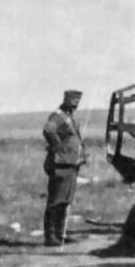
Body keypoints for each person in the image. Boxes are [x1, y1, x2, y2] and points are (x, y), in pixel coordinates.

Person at [42, 89, 86, 246]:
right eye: (73, 101)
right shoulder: (57, 115)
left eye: (77, 102)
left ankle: (60, 234)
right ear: (66, 100)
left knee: (65, 201)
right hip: (60, 164)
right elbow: (48, 130)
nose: (75, 104)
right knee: (56, 200)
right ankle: (50, 236)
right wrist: (59, 147)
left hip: (71, 164)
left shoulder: (69, 117)